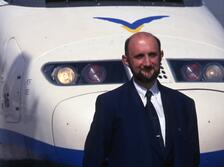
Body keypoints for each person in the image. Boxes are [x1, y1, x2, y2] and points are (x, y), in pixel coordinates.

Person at [83, 32, 200, 167]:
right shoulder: (109, 104)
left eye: (152, 55)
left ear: (161, 56)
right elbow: (94, 159)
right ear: (126, 60)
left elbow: (192, 159)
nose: (147, 63)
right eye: (139, 56)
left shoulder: (184, 105)